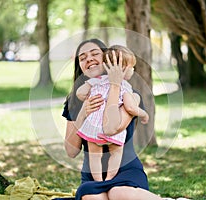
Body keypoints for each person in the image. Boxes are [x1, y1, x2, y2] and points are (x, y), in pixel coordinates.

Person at [62, 38, 162, 200]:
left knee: (118, 193)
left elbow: (111, 129)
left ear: (110, 59)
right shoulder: (75, 99)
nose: (89, 59)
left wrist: (114, 85)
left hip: (126, 170)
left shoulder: (129, 95)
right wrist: (83, 113)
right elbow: (71, 151)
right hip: (93, 174)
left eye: (95, 54)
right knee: (92, 197)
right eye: (82, 58)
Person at [75, 44, 149, 181]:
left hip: (93, 125)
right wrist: (144, 114)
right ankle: (109, 179)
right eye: (132, 67)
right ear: (123, 68)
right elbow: (131, 108)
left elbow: (80, 92)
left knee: (94, 155)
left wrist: (87, 97)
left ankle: (98, 181)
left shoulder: (98, 81)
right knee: (116, 153)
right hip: (112, 129)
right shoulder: (126, 88)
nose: (133, 70)